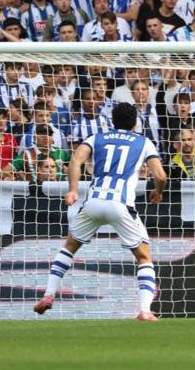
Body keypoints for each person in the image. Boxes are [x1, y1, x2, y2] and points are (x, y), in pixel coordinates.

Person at [34, 103, 167, 321]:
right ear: (135, 122)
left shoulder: (97, 137)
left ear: (112, 121)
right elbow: (160, 176)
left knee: (69, 247)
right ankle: (144, 310)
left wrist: (73, 190)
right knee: (144, 257)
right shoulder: (144, 142)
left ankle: (48, 295)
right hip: (120, 204)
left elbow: (75, 161)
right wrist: (158, 192)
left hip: (94, 201)